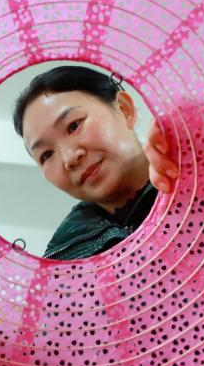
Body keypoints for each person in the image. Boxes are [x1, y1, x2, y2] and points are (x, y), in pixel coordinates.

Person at [12, 65, 178, 260]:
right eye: (46, 155)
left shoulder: (201, 167)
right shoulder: (64, 266)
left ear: (124, 109)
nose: (69, 158)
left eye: (74, 126)